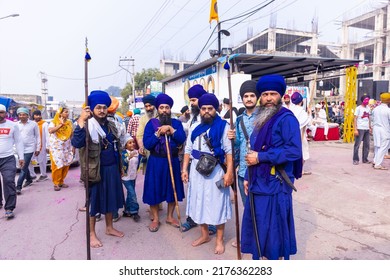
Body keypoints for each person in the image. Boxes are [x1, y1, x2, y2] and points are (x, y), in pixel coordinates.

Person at [241, 74, 302, 260]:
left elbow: (293, 151)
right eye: (265, 94)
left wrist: (261, 157)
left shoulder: (286, 119)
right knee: (259, 226)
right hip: (257, 182)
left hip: (276, 184)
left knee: (274, 231)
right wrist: (246, 176)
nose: (268, 98)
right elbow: (254, 148)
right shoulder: (261, 118)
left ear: (281, 96)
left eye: (273, 94)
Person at [71, 90, 125, 248]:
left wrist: (120, 167)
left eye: (104, 107)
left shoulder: (111, 124)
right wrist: (82, 119)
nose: (102, 110)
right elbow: (77, 143)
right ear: (91, 109)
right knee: (93, 203)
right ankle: (92, 234)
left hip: (112, 168)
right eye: (98, 107)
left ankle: (109, 228)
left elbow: (117, 145)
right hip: (95, 170)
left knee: (111, 199)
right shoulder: (86, 125)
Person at [181, 93, 234, 255]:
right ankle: (204, 235)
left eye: (210, 108)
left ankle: (219, 240)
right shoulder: (195, 127)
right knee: (199, 203)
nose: (206, 112)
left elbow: (229, 152)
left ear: (215, 109)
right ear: (200, 109)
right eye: (203, 108)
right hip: (196, 171)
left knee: (217, 204)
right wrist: (184, 169)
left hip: (216, 171)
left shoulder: (223, 127)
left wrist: (229, 173)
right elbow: (188, 150)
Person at [143, 93, 186, 232]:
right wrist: (158, 134)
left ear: (170, 109)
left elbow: (181, 139)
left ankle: (169, 216)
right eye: (161, 107)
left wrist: (171, 130)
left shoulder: (177, 123)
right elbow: (147, 144)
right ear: (158, 109)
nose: (164, 110)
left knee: (172, 189)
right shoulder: (151, 124)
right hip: (156, 161)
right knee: (154, 190)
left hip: (172, 161)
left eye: (167, 107)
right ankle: (155, 219)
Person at [228, 80, 260, 206]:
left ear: (257, 97)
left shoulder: (264, 116)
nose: (249, 99)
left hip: (260, 169)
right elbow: (238, 144)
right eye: (246, 96)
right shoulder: (239, 119)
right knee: (247, 207)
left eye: (252, 95)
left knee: (260, 208)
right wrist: (233, 138)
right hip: (242, 171)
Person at [0, 104, 24, 219]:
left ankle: (9, 208)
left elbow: (19, 141)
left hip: (8, 158)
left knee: (9, 181)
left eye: (1, 112)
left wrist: (21, 157)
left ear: (5, 113)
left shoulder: (12, 125)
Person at [48, 106, 74, 191]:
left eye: (68, 111)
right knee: (57, 164)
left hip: (66, 146)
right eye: (66, 112)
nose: (67, 113)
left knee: (66, 164)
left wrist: (73, 146)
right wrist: (60, 125)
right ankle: (56, 183)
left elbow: (71, 134)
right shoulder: (54, 122)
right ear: (60, 113)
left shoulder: (69, 122)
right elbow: (51, 131)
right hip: (56, 147)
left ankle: (61, 181)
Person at [16, 107, 40, 195]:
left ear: (27, 115)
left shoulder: (33, 124)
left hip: (30, 148)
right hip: (19, 148)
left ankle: (18, 187)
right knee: (24, 166)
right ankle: (29, 179)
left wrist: (37, 148)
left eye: (24, 114)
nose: (22, 116)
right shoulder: (16, 125)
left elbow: (37, 136)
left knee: (23, 166)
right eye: (20, 115)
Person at [290, 92, 311, 174]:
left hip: (290, 135)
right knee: (303, 153)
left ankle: (293, 169)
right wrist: (309, 113)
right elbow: (308, 123)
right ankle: (300, 170)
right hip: (300, 135)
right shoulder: (301, 112)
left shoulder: (290, 110)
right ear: (301, 101)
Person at [121, 135, 140, 221]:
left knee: (129, 193)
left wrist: (142, 156)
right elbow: (123, 162)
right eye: (130, 143)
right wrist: (129, 157)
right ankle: (134, 211)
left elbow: (140, 162)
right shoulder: (123, 154)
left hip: (133, 176)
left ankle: (127, 210)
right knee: (132, 193)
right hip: (126, 177)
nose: (132, 144)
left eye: (133, 142)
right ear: (125, 145)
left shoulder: (136, 152)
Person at [28, 110, 49, 182]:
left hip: (42, 146)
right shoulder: (30, 124)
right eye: (36, 115)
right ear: (33, 116)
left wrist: (47, 146)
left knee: (42, 161)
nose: (38, 116)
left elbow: (47, 136)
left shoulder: (44, 124)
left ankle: (43, 174)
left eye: (39, 115)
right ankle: (32, 174)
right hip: (31, 146)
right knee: (30, 160)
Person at [372, 92, 390, 170]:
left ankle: (375, 161)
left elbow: (372, 119)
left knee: (377, 146)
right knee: (383, 147)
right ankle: (378, 164)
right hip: (384, 130)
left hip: (376, 129)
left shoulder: (375, 109)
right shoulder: (388, 110)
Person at [353, 95, 372, 165]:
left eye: (368, 100)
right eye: (366, 100)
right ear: (362, 100)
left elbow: (369, 118)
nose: (367, 101)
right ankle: (355, 159)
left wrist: (370, 127)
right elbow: (355, 119)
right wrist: (355, 129)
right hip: (360, 128)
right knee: (357, 145)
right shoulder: (358, 108)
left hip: (366, 128)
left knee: (367, 145)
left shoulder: (368, 108)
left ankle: (365, 159)